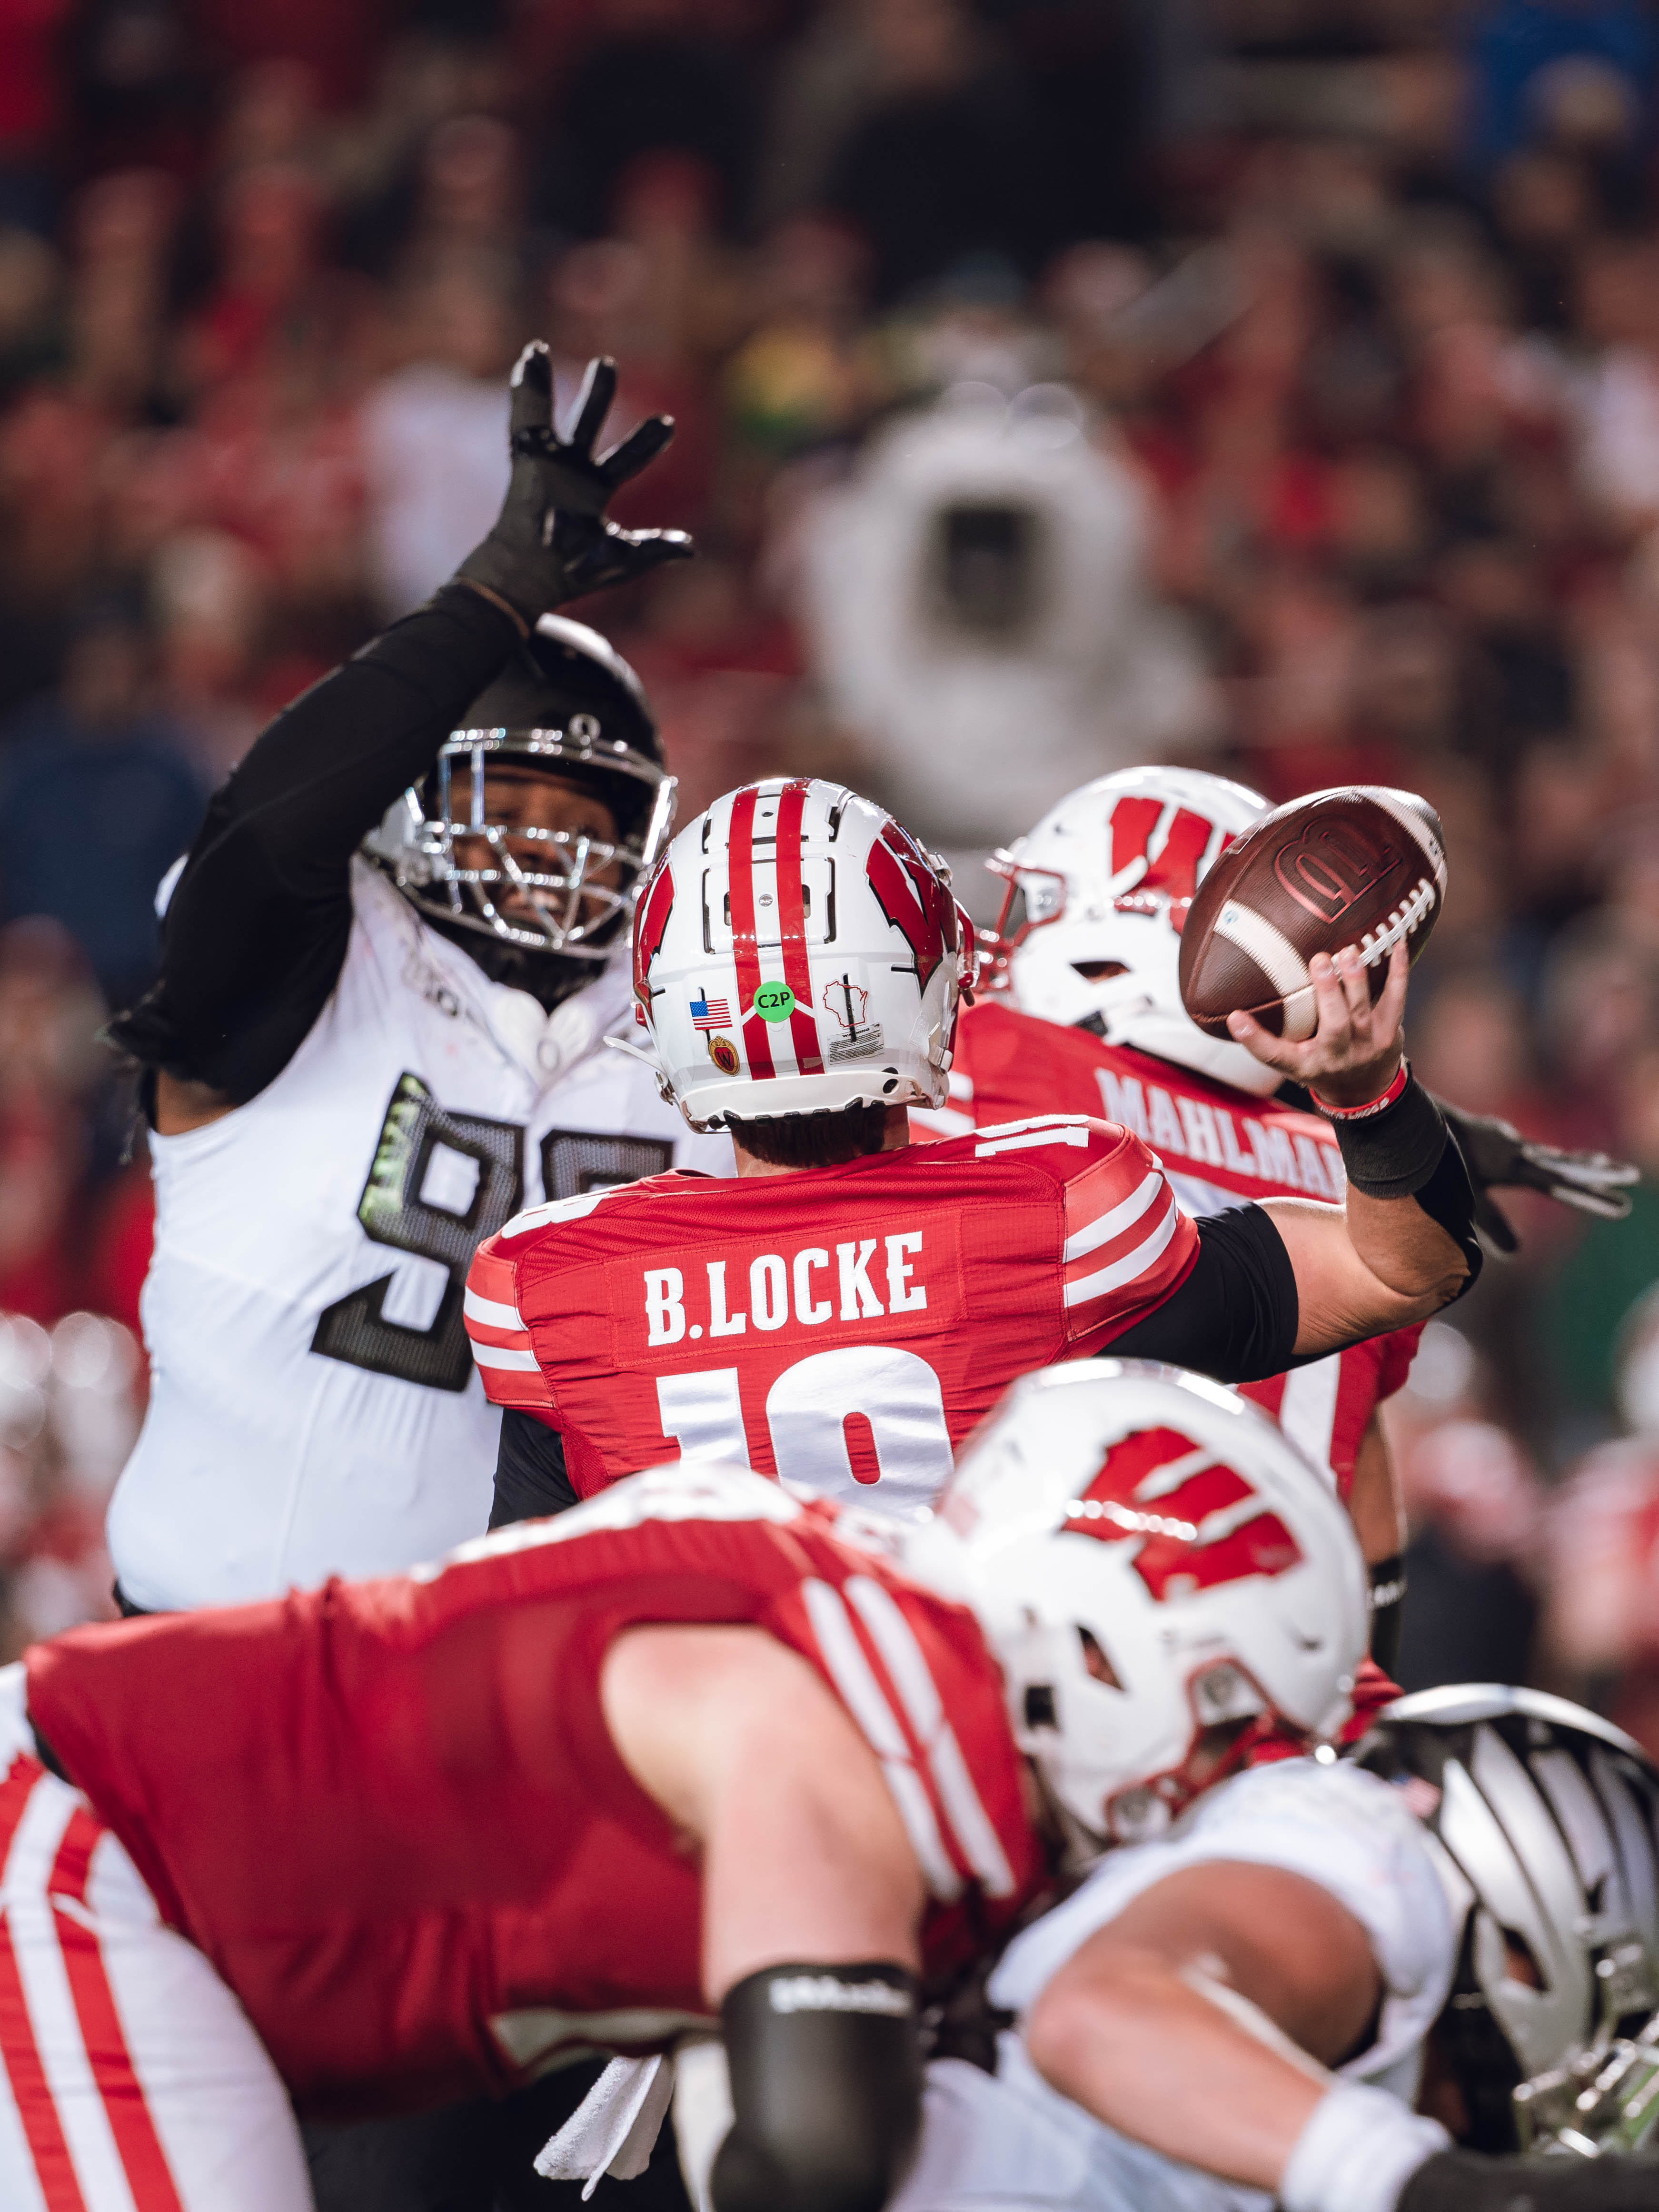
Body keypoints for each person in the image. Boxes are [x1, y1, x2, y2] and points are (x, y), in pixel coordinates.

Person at [0, 1354, 1368, 2212]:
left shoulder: (851, 1623)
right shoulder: (851, 1707)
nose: (1203, 1786)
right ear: (1099, 1626)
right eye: (1220, 1717)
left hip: (161, 1905)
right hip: (85, 1850)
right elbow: (813, 2156)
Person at [99, 345, 729, 1621]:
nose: (555, 850)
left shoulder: (676, 1017)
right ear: (406, 802)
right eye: (512, 804)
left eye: (591, 819)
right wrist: (487, 600)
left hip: (502, 1703)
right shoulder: (317, 963)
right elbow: (270, 828)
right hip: (215, 1654)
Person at [464, 770, 1480, 1525]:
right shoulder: (1058, 1214)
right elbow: (1410, 1265)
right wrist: (1364, 1092)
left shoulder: (553, 1280)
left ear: (667, 1016)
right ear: (927, 992)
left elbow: (525, 1609)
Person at [923, 764, 1637, 1674]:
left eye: (1050, 911)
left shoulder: (989, 1063)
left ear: (1142, 935)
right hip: (1284, 1668)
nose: (1013, 944)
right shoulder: (1344, 1162)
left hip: (1040, 1634)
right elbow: (1367, 1493)